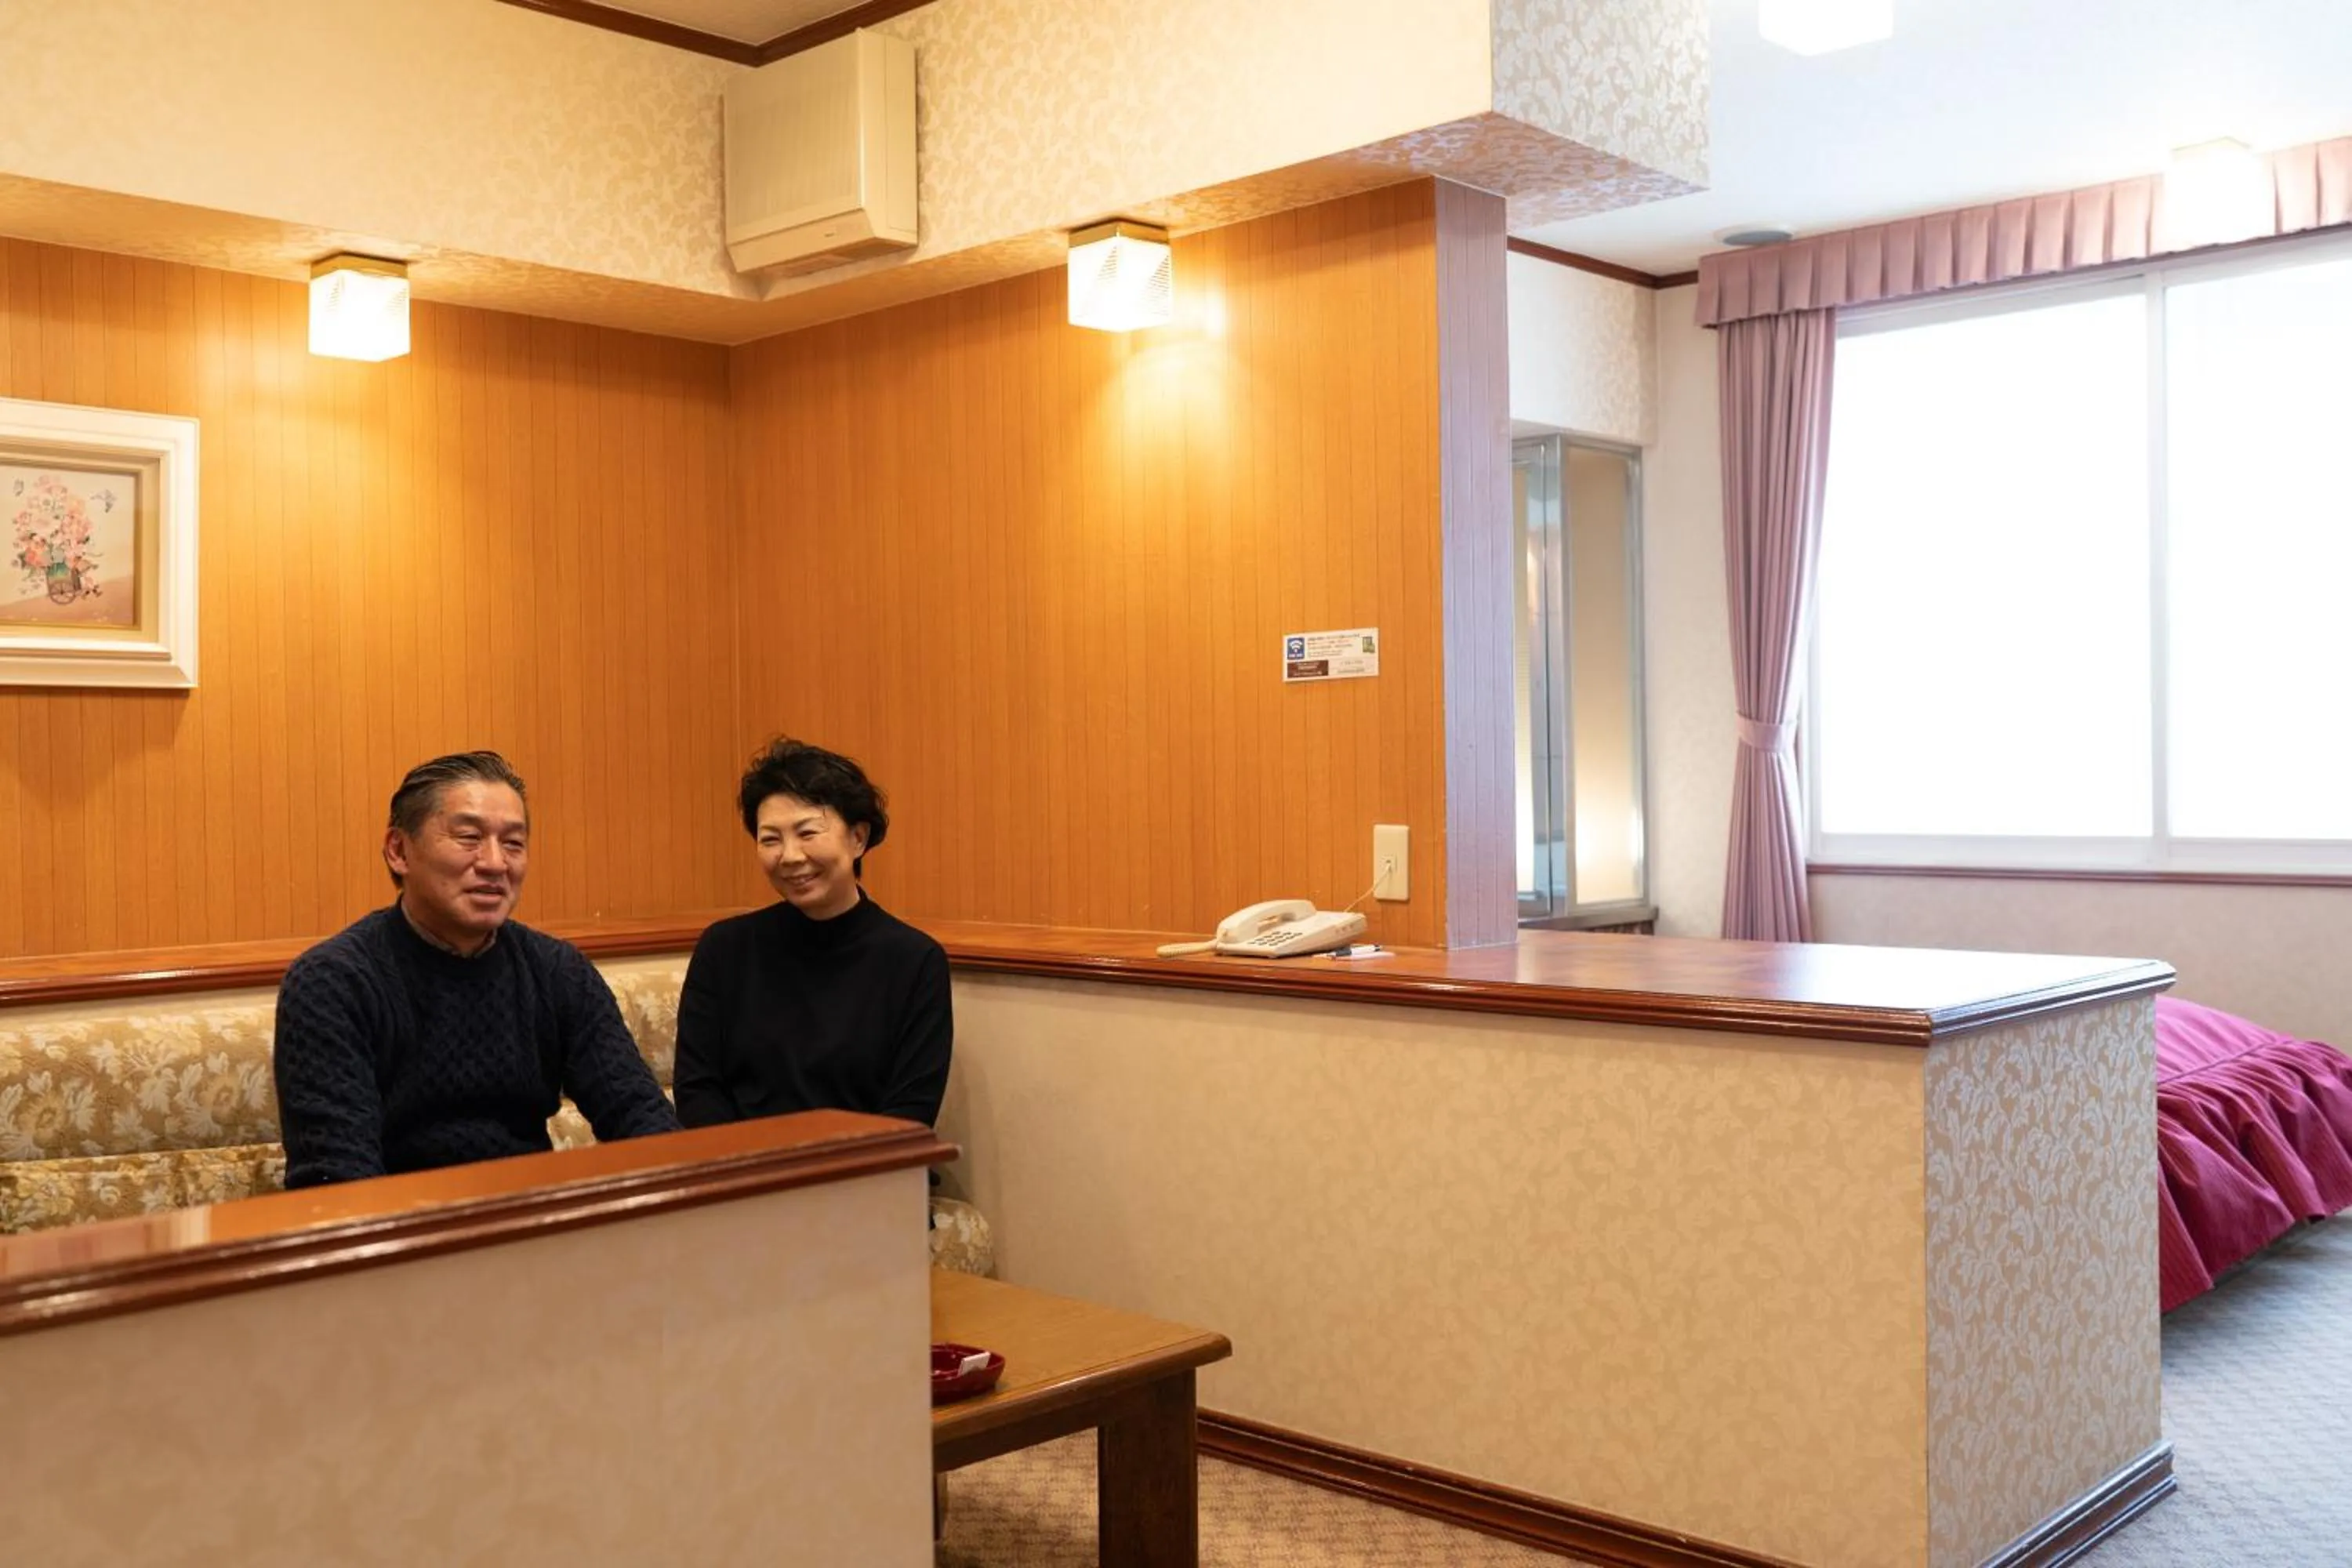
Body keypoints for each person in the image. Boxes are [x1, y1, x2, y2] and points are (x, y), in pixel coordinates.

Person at [273, 751, 679, 1188]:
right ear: (399, 851)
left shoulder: (557, 971)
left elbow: (642, 1119)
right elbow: (335, 1179)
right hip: (396, 1222)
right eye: (469, 837)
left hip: (534, 1215)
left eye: (513, 843)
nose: (495, 863)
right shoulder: (334, 983)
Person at [673, 739, 952, 1130]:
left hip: (867, 1163)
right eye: (771, 839)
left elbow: (911, 1109)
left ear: (858, 838)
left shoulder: (914, 961)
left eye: (807, 833)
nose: (789, 856)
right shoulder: (724, 949)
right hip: (741, 1162)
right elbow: (697, 1089)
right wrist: (744, 1160)